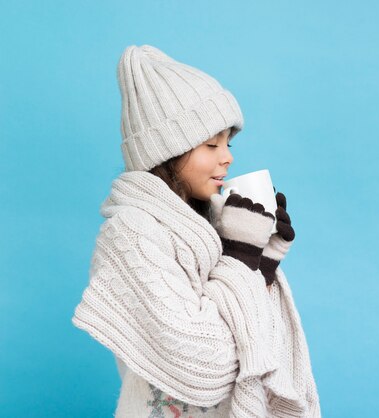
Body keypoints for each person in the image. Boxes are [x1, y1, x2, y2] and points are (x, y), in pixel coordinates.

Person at [71, 45, 321, 418]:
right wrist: (240, 255)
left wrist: (262, 265)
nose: (228, 156)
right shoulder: (131, 235)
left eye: (228, 142)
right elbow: (206, 365)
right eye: (210, 144)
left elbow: (253, 338)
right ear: (165, 152)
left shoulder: (210, 223)